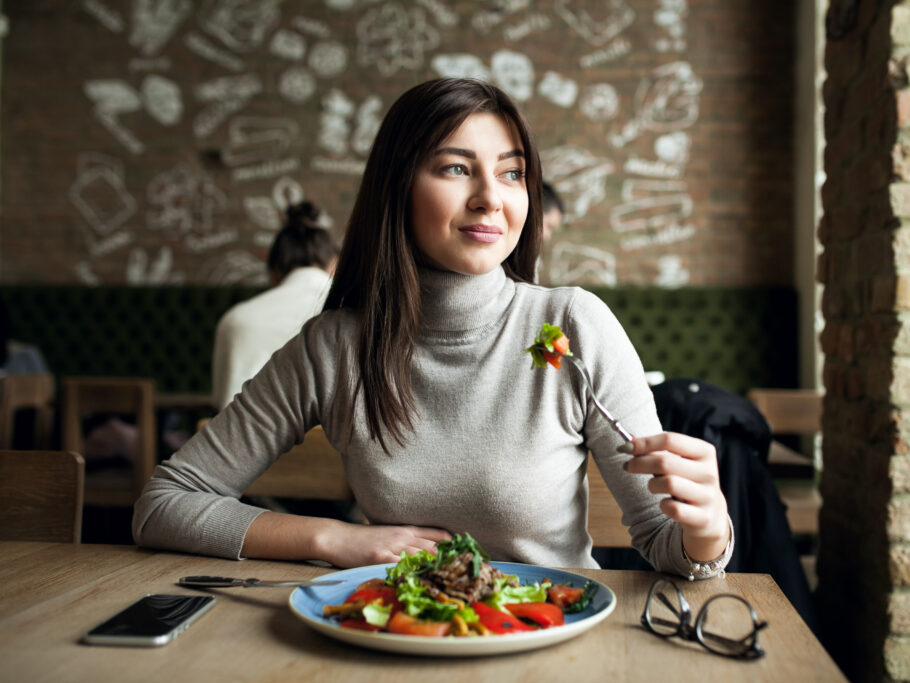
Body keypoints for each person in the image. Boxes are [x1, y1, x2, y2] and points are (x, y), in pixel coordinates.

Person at [133, 78, 732, 578]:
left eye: (512, 173)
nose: (490, 199)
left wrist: (706, 528)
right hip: (400, 640)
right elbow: (164, 504)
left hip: (554, 640)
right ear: (398, 186)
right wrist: (334, 540)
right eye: (455, 168)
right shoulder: (336, 347)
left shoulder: (570, 324)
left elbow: (666, 543)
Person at [211, 201, 337, 410]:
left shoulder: (236, 320)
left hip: (246, 438)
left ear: (273, 273)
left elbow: (220, 406)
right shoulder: (364, 314)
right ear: (335, 263)